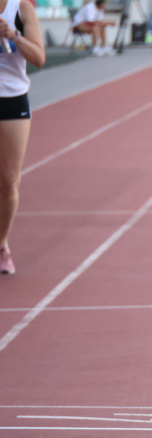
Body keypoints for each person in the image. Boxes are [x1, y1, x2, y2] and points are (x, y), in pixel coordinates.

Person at [0, 0, 44, 277]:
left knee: (8, 182)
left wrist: (13, 35)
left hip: (12, 101)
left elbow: (39, 58)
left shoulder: (21, 8)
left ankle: (2, 244)